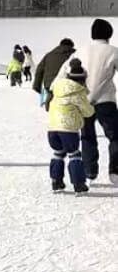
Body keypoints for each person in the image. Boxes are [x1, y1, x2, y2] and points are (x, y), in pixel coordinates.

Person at [57, 19, 118, 183]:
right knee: (115, 136)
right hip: (106, 101)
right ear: (109, 34)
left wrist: (55, 94)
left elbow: (63, 73)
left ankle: (89, 171)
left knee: (87, 136)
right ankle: (115, 170)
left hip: (82, 99)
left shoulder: (80, 52)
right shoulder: (113, 51)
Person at [47, 58, 93, 195]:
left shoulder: (57, 87)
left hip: (52, 128)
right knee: (74, 154)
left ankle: (56, 181)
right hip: (68, 130)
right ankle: (79, 184)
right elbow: (87, 112)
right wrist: (91, 107)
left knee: (58, 153)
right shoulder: (78, 92)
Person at [33, 38, 75, 109]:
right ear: (71, 46)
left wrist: (36, 86)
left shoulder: (49, 55)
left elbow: (39, 70)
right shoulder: (74, 54)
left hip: (49, 86)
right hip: (68, 86)